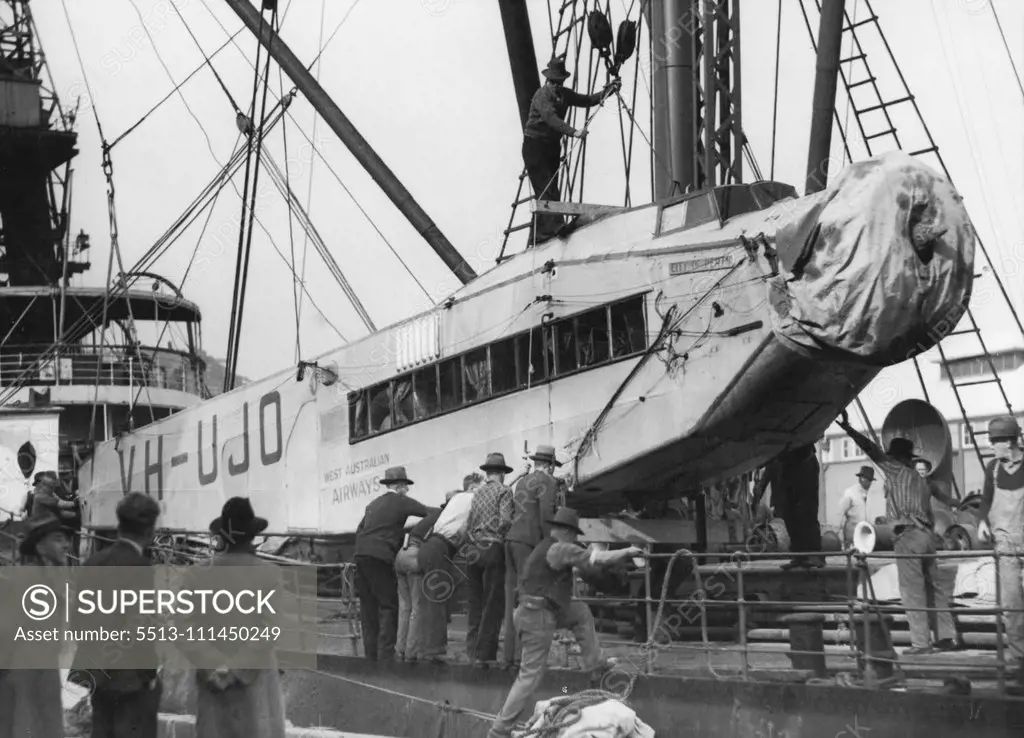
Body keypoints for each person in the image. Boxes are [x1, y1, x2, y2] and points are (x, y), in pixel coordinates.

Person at [486, 508, 642, 738]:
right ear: (567, 532)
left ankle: (595, 663)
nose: (576, 539)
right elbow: (596, 559)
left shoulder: (548, 547)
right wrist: (628, 551)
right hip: (537, 615)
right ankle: (499, 730)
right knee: (529, 676)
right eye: (575, 534)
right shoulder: (560, 548)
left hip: (539, 610)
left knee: (579, 611)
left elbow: (581, 567)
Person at [837, 411, 958, 654]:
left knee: (911, 591)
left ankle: (921, 644)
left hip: (908, 537)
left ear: (896, 457)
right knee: (934, 588)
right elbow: (933, 510)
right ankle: (946, 637)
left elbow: (872, 449)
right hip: (927, 537)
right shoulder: (922, 480)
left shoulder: (894, 469)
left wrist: (849, 429)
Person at [71, 492, 163, 738]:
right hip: (130, 678)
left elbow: (77, 621)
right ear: (149, 530)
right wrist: (150, 673)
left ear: (119, 525)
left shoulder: (93, 562)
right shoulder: (141, 568)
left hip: (97, 674)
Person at [523, 56, 620, 243]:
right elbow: (551, 118)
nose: (556, 85)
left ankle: (540, 236)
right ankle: (554, 228)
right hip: (535, 146)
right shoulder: (542, 96)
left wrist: (608, 91)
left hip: (551, 147)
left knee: (551, 191)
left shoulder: (564, 95)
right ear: (547, 81)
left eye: (559, 82)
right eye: (553, 82)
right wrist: (573, 132)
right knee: (546, 189)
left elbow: (587, 100)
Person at [354, 466, 436, 662]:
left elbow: (360, 530)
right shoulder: (401, 501)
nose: (407, 491)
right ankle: (385, 656)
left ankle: (370, 656)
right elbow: (429, 512)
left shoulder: (372, 504)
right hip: (381, 557)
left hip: (360, 556)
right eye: (405, 487)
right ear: (399, 487)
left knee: (368, 608)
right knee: (389, 605)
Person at [0, 514, 71, 738]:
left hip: (40, 677)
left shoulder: (43, 579)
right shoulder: (28, 579)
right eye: (58, 539)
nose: (66, 545)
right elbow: (6, 630)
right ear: (40, 547)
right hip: (26, 681)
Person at [973, 415, 1024, 694]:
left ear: (1011, 441)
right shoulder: (993, 469)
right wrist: (982, 521)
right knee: (1013, 607)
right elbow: (986, 501)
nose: (993, 447)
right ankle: (1020, 663)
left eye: (996, 442)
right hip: (1005, 546)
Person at [504, 444, 564, 664]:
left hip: (510, 540)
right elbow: (546, 514)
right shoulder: (546, 481)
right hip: (528, 542)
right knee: (528, 596)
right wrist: (551, 544)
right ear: (549, 465)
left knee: (512, 597)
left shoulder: (522, 481)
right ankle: (524, 656)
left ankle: (508, 655)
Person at [417, 476, 479, 662]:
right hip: (441, 548)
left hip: (431, 546)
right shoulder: (471, 499)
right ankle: (434, 651)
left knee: (431, 599)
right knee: (437, 600)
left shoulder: (456, 500)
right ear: (473, 487)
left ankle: (427, 647)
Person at [465, 453, 514, 665]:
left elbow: (468, 524)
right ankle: (486, 654)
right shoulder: (504, 491)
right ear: (502, 474)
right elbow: (504, 522)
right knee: (493, 603)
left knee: (475, 602)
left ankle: (471, 650)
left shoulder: (477, 493)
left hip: (473, 549)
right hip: (492, 547)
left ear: (487, 473)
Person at [756, 445, 824, 569]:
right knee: (790, 515)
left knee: (807, 513)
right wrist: (760, 488)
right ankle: (799, 556)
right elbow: (771, 467)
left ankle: (815, 555)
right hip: (786, 464)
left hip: (804, 462)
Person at [834, 466, 876, 548]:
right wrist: (836, 532)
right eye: (867, 479)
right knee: (852, 558)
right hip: (852, 535)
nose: (870, 483)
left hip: (865, 536)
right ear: (860, 479)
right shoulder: (850, 493)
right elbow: (839, 512)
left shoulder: (869, 495)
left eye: (870, 480)